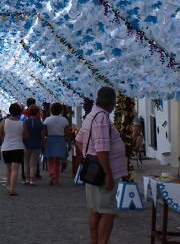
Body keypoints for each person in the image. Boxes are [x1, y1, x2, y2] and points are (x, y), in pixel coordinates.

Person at [76, 86, 128, 244]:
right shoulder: (102, 118)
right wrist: (108, 174)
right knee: (107, 211)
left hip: (94, 170)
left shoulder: (91, 115)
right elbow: (102, 149)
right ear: (112, 102)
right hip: (102, 172)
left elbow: (79, 140)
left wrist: (87, 155)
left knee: (96, 210)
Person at [0, 102, 28, 196]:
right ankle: (12, 190)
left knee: (8, 168)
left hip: (6, 147)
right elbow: (26, 136)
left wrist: (4, 136)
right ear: (20, 112)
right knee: (15, 169)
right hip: (18, 147)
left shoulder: (4, 122)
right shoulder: (22, 123)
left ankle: (8, 186)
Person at [43, 102, 71, 185]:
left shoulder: (47, 120)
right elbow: (67, 133)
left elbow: (45, 133)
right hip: (60, 140)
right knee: (58, 160)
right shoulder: (64, 120)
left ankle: (52, 174)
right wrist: (69, 143)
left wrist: (44, 141)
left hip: (50, 140)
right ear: (60, 110)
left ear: (51, 110)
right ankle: (57, 178)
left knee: (50, 159)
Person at [23, 104, 44, 186]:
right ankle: (32, 180)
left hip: (27, 144)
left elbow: (24, 134)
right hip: (37, 145)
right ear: (37, 113)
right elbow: (42, 136)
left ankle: (27, 179)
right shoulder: (41, 124)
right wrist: (43, 146)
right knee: (34, 163)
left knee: (26, 162)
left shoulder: (25, 122)